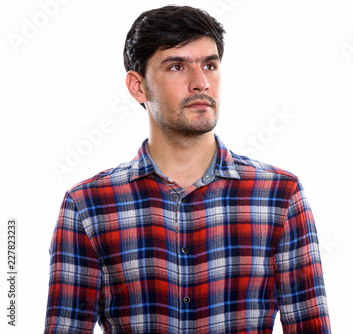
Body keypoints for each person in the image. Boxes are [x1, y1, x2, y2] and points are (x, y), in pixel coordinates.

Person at [44, 5, 331, 333]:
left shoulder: (279, 195)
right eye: (177, 66)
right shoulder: (88, 205)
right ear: (138, 86)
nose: (201, 83)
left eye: (210, 65)